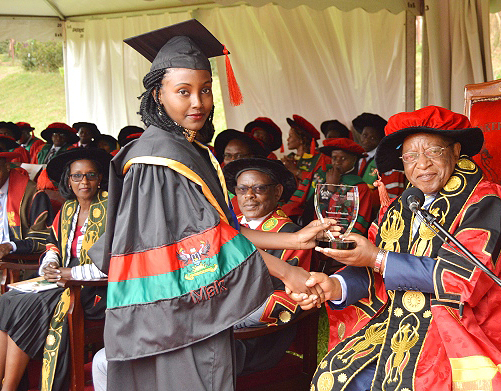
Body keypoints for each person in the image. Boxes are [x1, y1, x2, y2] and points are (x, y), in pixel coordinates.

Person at [88, 19, 328, 391]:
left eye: (205, 90)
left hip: (185, 308)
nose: (198, 102)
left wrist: (295, 241)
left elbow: (220, 230)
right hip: (175, 315)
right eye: (183, 91)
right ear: (158, 95)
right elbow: (203, 244)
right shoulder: (159, 159)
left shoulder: (186, 148)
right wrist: (287, 272)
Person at [292, 106, 501, 391]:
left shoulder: (485, 203)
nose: (422, 165)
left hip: (459, 328)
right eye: (411, 156)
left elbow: (461, 279)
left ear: (456, 152)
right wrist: (335, 285)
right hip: (397, 323)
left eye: (433, 152)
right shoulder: (402, 206)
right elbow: (375, 268)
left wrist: (377, 257)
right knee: (334, 377)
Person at [0, 147, 111, 391]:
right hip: (62, 279)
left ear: (100, 178)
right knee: (8, 301)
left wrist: (70, 273)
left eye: (90, 175)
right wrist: (51, 263)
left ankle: (8, 387)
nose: (83, 181)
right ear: (68, 180)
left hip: (95, 288)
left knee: (29, 306)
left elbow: (115, 262)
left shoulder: (113, 209)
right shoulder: (68, 210)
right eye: (77, 176)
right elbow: (53, 244)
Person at [224, 157, 313, 374]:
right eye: (242, 189)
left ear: (277, 192)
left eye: (259, 188)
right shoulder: (229, 228)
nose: (248, 196)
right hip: (222, 327)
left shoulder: (291, 234)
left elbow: (289, 298)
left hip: (257, 337)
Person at [0, 146, 52, 372]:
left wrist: (9, 246)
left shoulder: (33, 194)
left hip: (22, 263)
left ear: (8, 168)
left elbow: (44, 238)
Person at [299, 138, 373, 235]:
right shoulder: (325, 179)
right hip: (320, 236)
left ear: (354, 160)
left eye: (343, 158)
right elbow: (317, 213)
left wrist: (331, 189)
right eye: (334, 158)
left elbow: (357, 222)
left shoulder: (360, 187)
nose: (337, 162)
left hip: (344, 241)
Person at [353, 112, 406, 201]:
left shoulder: (389, 161)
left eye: (372, 138)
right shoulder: (359, 158)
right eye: (364, 135)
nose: (366, 140)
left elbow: (391, 194)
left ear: (380, 140)